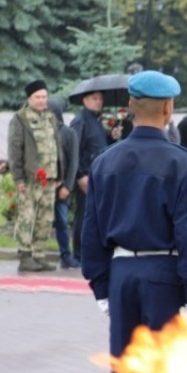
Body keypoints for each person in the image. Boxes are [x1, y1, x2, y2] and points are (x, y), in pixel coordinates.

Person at [80, 71, 187, 373]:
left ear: (129, 107)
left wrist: (100, 286)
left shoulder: (105, 162)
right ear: (168, 108)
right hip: (163, 276)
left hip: (121, 274)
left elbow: (91, 230)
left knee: (124, 372)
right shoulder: (182, 163)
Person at [6, 81, 65, 273]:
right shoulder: (20, 119)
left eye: (44, 97)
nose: (41, 101)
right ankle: (25, 255)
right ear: (29, 98)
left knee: (45, 219)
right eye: (37, 97)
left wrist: (59, 172)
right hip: (30, 179)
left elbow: (56, 146)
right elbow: (15, 150)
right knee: (27, 217)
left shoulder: (50, 118)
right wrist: (18, 179)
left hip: (49, 178)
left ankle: (39, 255)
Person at [69, 89, 110, 262]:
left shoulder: (96, 120)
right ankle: (79, 253)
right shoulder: (81, 120)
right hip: (86, 176)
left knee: (95, 215)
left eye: (100, 98)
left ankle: (91, 251)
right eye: (94, 98)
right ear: (85, 100)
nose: (98, 102)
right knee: (83, 215)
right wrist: (80, 175)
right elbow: (74, 150)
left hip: (98, 174)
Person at [46, 98, 80, 270]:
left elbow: (73, 161)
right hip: (43, 186)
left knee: (61, 221)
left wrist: (67, 186)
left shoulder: (68, 133)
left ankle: (65, 255)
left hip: (61, 187)